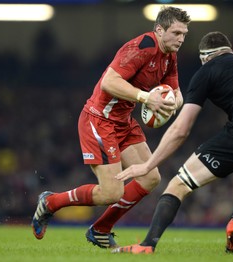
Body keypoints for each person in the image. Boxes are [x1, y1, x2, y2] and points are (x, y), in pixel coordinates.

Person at [111, 31, 233, 254]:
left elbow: (181, 129)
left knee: (179, 184)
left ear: (205, 58)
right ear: (229, 51)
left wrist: (147, 165)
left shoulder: (207, 70)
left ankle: (147, 245)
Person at [31, 6, 191, 248]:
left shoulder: (170, 56)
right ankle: (51, 202)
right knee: (111, 193)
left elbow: (177, 94)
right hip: (99, 120)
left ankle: (100, 229)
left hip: (123, 122)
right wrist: (146, 98)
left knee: (150, 177)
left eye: (184, 34)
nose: (181, 39)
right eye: (176, 32)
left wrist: (172, 104)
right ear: (159, 29)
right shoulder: (143, 47)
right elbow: (108, 82)